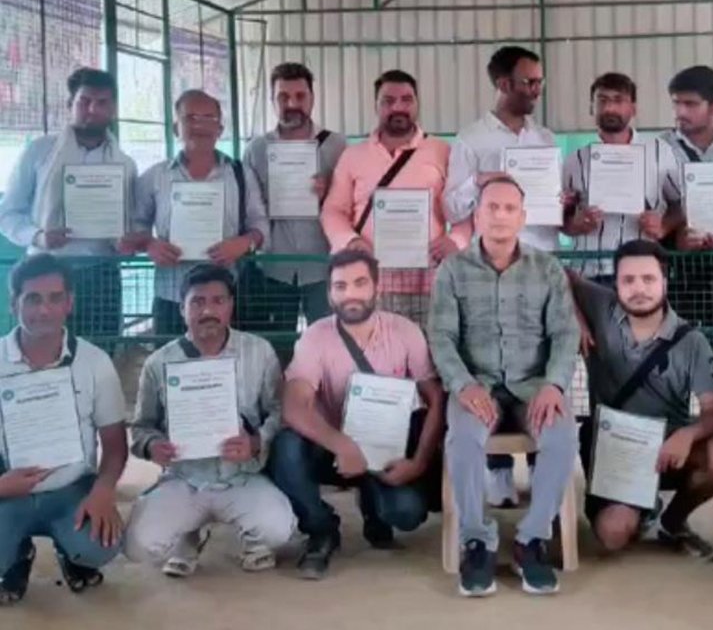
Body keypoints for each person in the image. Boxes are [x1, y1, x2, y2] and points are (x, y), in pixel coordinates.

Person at [428, 176, 580, 597]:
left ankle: (532, 539)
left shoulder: (547, 269)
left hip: (534, 385)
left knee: (562, 435)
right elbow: (441, 336)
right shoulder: (452, 270)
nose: (500, 216)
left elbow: (565, 334)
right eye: (491, 207)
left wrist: (554, 385)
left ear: (523, 217)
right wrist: (462, 385)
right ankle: (477, 540)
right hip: (477, 385)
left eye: (509, 208)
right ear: (476, 216)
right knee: (462, 438)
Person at [268, 249, 444, 580]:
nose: (350, 294)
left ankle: (374, 507)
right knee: (286, 447)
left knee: (406, 514)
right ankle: (322, 529)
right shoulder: (315, 336)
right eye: (340, 286)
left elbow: (435, 399)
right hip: (331, 450)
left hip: (386, 451)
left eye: (360, 283)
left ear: (377, 287)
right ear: (329, 293)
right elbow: (293, 406)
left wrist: (418, 463)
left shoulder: (405, 332)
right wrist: (342, 444)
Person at [124, 265, 294, 577]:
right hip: (184, 479)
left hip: (242, 475)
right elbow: (141, 426)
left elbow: (279, 411)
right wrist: (152, 446)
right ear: (182, 308)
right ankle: (190, 534)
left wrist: (256, 442)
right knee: (138, 545)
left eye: (218, 301)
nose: (207, 311)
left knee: (278, 531)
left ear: (231, 305)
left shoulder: (259, 352)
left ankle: (253, 541)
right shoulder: (158, 362)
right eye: (197, 302)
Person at [569, 239, 713, 556]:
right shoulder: (600, 306)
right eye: (628, 280)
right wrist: (576, 316)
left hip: (666, 450)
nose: (639, 289)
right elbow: (556, 272)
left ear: (664, 281)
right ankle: (640, 507)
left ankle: (673, 522)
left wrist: (688, 434)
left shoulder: (692, 341)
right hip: (614, 448)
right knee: (614, 535)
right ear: (615, 283)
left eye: (648, 279)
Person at [0, 254, 127, 604]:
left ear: (70, 303)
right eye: (33, 299)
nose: (44, 310)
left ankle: (72, 554)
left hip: (73, 489)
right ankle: (16, 556)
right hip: (8, 489)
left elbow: (115, 444)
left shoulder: (95, 362)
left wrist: (103, 491)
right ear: (13, 304)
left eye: (55, 298)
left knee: (100, 546)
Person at [321, 70, 469, 329]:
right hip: (370, 277)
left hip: (428, 278)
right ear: (376, 106)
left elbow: (464, 208)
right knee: (372, 348)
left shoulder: (443, 152)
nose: (398, 107)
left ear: (417, 104)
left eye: (406, 100)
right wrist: (351, 241)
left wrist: (455, 240)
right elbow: (332, 210)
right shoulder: (353, 156)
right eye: (388, 101)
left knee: (427, 348)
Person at [0, 68, 140, 339]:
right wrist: (39, 236)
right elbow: (7, 214)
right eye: (84, 101)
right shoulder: (40, 152)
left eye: (102, 103)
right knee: (41, 349)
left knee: (101, 349)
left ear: (113, 109)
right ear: (70, 105)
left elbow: (133, 223)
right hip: (44, 272)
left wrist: (126, 243)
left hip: (101, 275)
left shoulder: (125, 164)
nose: (92, 110)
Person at [134, 89, 269, 335]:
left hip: (227, 297)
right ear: (176, 128)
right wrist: (148, 243)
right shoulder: (154, 177)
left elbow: (260, 224)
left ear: (220, 129)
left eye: (209, 118)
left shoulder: (241, 174)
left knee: (229, 359)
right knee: (171, 357)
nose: (200, 126)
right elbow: (134, 225)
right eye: (191, 118)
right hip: (172, 297)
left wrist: (244, 243)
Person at [241, 62, 346, 360]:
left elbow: (352, 205)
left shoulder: (336, 146)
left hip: (323, 265)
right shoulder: (257, 150)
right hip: (274, 267)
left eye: (300, 96)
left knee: (329, 347)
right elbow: (248, 210)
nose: (292, 104)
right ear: (272, 100)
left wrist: (330, 193)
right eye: (283, 97)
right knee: (276, 349)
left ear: (312, 98)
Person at [658, 65, 713, 392]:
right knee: (673, 356)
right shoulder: (659, 149)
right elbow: (655, 207)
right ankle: (675, 423)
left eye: (690, 104)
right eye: (676, 103)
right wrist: (675, 236)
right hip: (680, 269)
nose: (681, 112)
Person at [562, 73, 682, 282]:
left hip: (643, 272)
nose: (610, 108)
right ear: (591, 108)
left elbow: (681, 203)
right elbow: (562, 220)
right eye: (602, 100)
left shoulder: (659, 152)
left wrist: (663, 226)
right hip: (590, 273)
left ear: (633, 109)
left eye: (618, 100)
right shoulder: (575, 161)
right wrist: (577, 225)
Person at [444, 45, 562, 252]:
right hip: (494, 260)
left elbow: (558, 205)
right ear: (504, 84)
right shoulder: (471, 140)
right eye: (530, 82)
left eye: (540, 82)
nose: (537, 91)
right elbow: (451, 211)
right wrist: (477, 181)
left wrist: (563, 201)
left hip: (544, 256)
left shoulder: (546, 139)